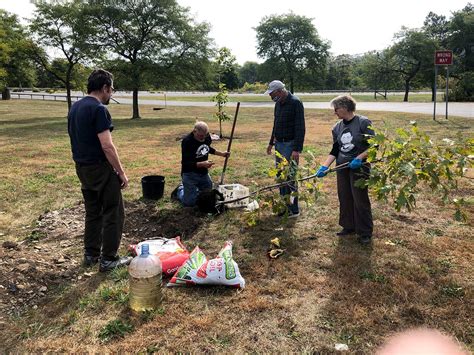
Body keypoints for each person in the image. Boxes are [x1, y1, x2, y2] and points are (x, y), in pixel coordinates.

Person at [68, 69, 131, 272]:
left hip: (82, 167)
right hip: (99, 168)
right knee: (114, 211)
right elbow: (107, 146)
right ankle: (108, 259)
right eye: (111, 89)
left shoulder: (75, 107)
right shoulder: (99, 109)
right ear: (104, 87)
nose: (111, 94)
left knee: (93, 212)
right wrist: (120, 172)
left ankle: (91, 254)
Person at [316, 95, 374, 244]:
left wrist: (360, 158)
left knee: (360, 199)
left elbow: (374, 146)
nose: (334, 112)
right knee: (345, 196)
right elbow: (335, 149)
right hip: (342, 167)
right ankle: (349, 226)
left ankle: (364, 232)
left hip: (359, 167)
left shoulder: (363, 123)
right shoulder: (337, 128)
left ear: (345, 107)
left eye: (336, 108)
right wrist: (325, 166)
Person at [265, 80, 305, 217]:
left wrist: (296, 149)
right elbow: (275, 123)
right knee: (280, 176)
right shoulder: (278, 104)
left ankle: (293, 208)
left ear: (280, 91)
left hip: (290, 145)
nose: (271, 97)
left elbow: (300, 128)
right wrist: (271, 142)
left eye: (272, 94)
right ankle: (283, 206)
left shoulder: (295, 103)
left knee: (290, 176)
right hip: (279, 144)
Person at [176, 121, 229, 207]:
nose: (203, 138)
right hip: (189, 174)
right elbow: (186, 164)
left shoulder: (207, 137)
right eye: (200, 136)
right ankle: (180, 189)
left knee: (207, 196)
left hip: (203, 174)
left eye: (205, 135)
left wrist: (222, 154)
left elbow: (207, 148)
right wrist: (202, 164)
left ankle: (191, 190)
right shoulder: (187, 142)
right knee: (190, 203)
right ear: (194, 131)